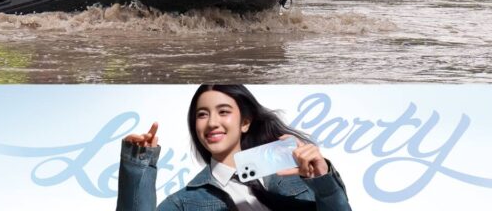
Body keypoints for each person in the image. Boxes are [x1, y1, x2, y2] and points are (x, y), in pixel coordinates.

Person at [116, 84, 352, 211]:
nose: (212, 123)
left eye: (224, 111)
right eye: (202, 114)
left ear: (246, 122)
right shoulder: (184, 204)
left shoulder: (297, 178)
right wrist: (137, 168)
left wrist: (324, 181)